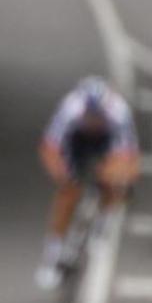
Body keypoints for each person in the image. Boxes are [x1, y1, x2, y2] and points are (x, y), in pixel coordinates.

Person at [36, 77, 139, 290]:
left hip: (107, 144)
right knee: (68, 193)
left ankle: (103, 221)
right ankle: (52, 254)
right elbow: (50, 148)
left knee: (113, 182)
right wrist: (61, 174)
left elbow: (129, 156)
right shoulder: (69, 109)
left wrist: (124, 181)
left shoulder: (119, 113)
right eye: (89, 115)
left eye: (97, 116)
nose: (93, 119)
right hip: (76, 144)